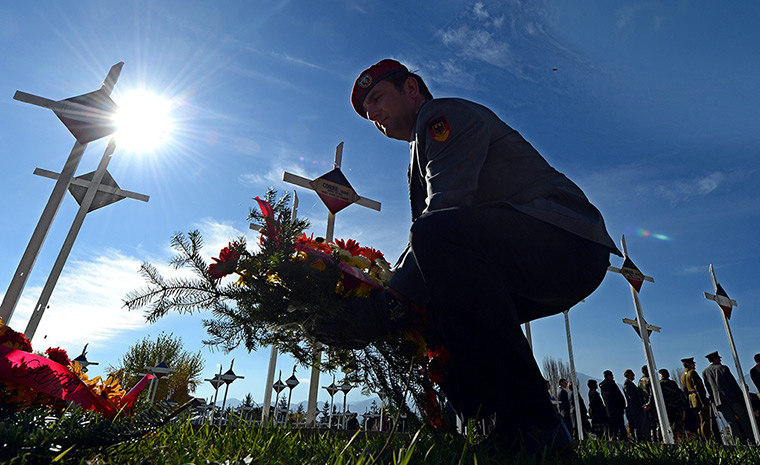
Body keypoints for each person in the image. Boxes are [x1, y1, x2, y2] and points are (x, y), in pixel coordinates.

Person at [311, 59, 619, 453]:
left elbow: (442, 214)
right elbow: (434, 247)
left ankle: (535, 423)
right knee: (430, 308)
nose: (372, 113)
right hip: (529, 250)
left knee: (432, 245)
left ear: (410, 89)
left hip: (566, 240)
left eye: (377, 98)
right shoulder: (419, 146)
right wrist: (386, 299)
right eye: (366, 111)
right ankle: (503, 425)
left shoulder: (442, 116)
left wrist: (385, 307)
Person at [702, 351, 754, 444]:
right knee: (744, 420)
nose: (720, 360)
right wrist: (742, 398)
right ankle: (752, 441)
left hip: (720, 402)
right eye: (719, 358)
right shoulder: (723, 368)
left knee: (731, 423)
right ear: (715, 359)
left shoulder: (705, 372)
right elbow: (733, 384)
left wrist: (715, 401)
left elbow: (709, 388)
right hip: (732, 399)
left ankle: (739, 445)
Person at [680, 357, 713, 441]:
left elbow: (685, 390)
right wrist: (703, 402)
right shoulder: (692, 373)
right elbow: (698, 388)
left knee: (698, 422)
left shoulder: (683, 376)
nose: (694, 364)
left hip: (692, 401)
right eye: (692, 363)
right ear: (688, 364)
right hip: (698, 399)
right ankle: (707, 439)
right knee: (705, 421)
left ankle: (701, 438)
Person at [658, 369, 688, 436]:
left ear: (661, 375)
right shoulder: (673, 383)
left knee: (667, 426)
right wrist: (682, 408)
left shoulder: (659, 384)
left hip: (665, 409)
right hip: (675, 408)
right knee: (678, 426)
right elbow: (679, 396)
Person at [623, 368, 649, 441]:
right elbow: (632, 397)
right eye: (632, 374)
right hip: (635, 409)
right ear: (627, 375)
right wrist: (641, 404)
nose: (634, 375)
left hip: (636, 408)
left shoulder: (630, 383)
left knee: (640, 426)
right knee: (638, 426)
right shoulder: (627, 384)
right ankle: (639, 441)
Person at [599, 370, 627, 439]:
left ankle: (614, 437)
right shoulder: (611, 384)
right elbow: (617, 396)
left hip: (609, 409)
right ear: (609, 376)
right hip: (617, 408)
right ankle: (622, 438)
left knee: (613, 425)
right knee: (620, 424)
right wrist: (622, 405)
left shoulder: (603, 387)